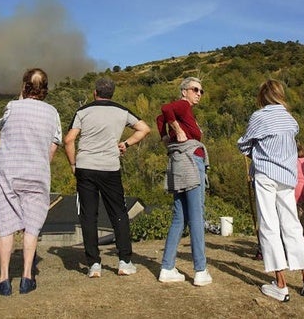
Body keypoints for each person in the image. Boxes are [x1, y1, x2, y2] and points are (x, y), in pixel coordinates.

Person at [237, 79, 304, 302]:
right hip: (287, 176)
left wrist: (252, 150)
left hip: (265, 174)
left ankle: (280, 283)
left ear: (263, 96)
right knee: (292, 224)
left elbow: (243, 144)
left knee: (269, 225)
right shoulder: (291, 119)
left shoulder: (259, 116)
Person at [63, 77, 151, 278]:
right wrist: (126, 144)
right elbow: (144, 129)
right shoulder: (121, 111)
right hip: (110, 168)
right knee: (118, 213)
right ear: (112, 93)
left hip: (85, 167)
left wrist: (73, 164)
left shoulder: (83, 111)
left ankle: (94, 264)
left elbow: (69, 140)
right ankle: (125, 261)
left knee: (88, 215)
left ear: (95, 93)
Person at [0, 68, 62, 296]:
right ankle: (27, 277)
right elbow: (53, 146)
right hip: (37, 172)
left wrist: (20, 99)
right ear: (46, 89)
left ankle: (3, 280)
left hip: (8, 172)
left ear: (24, 86)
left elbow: (1, 131)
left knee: (6, 222)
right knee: (32, 225)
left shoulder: (12, 107)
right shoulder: (52, 113)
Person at [157, 76, 212, 287]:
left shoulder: (184, 110)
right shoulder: (182, 105)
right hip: (191, 162)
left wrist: (165, 137)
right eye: (195, 89)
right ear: (184, 91)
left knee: (179, 216)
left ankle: (167, 267)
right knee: (197, 215)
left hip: (178, 164)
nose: (199, 94)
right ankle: (200, 270)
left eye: (201, 91)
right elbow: (165, 109)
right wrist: (177, 130)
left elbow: (158, 118)